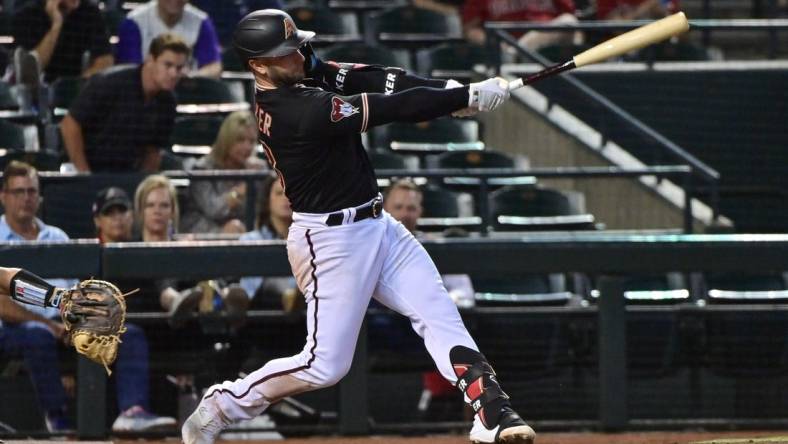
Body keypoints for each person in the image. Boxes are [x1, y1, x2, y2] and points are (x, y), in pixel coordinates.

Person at [182, 10, 534, 444]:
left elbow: (383, 80)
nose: (300, 56)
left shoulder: (299, 74)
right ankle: (223, 404)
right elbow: (390, 107)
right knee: (324, 366)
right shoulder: (294, 109)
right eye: (288, 52)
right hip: (330, 240)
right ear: (259, 65)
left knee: (437, 312)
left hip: (379, 226)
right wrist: (463, 96)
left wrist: (454, 93)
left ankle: (492, 412)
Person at [89, 186, 179, 432]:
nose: (117, 217)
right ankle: (131, 411)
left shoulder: (141, 251)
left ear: (132, 215)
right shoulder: (88, 254)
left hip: (144, 337)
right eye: (110, 213)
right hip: (102, 335)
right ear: (98, 220)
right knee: (129, 331)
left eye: (122, 210)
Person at [60, 33, 189, 173]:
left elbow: (153, 151)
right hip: (84, 168)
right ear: (150, 59)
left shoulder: (168, 102)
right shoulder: (110, 83)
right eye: (168, 65)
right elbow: (70, 124)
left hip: (125, 173)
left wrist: (143, 186)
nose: (173, 74)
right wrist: (85, 174)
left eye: (179, 68)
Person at [181, 110, 267, 235]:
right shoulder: (202, 168)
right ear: (227, 140)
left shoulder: (258, 170)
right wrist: (239, 192)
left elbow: (263, 210)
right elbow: (213, 209)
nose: (247, 147)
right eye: (241, 140)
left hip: (244, 231)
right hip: (204, 231)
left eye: (251, 141)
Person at [238, 173, 300, 311]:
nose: (285, 198)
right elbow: (250, 287)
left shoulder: (309, 241)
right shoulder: (250, 240)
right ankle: (288, 296)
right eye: (279, 193)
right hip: (259, 304)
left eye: (290, 194)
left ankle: (292, 298)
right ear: (268, 200)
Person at [11, 0, 113, 84]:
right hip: (37, 94)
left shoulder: (90, 11)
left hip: (79, 91)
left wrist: (74, 87)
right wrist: (56, 24)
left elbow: (105, 61)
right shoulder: (27, 14)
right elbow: (31, 71)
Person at [116, 0, 222, 78]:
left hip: (188, 93)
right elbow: (129, 71)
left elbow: (214, 67)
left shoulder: (201, 22)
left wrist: (191, 76)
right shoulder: (134, 22)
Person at [462, 0, 581, 51]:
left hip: (548, 53)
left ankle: (517, 52)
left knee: (568, 21)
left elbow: (573, 23)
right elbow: (470, 29)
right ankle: (515, 53)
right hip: (504, 51)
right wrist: (496, 43)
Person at [595, 0, 677, 20]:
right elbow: (614, 26)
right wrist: (646, 7)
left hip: (661, 46)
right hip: (620, 47)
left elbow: (682, 35)